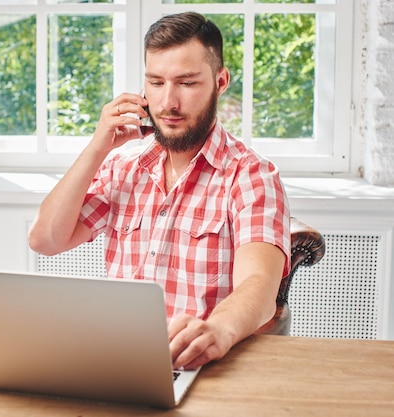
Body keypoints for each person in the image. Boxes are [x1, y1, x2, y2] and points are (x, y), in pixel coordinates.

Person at [28, 12, 291, 370]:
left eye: (186, 83)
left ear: (221, 81)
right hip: (114, 357)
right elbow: (45, 240)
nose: (168, 102)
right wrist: (97, 148)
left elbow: (260, 285)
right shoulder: (123, 167)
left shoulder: (250, 176)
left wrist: (218, 330)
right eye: (156, 82)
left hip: (197, 365)